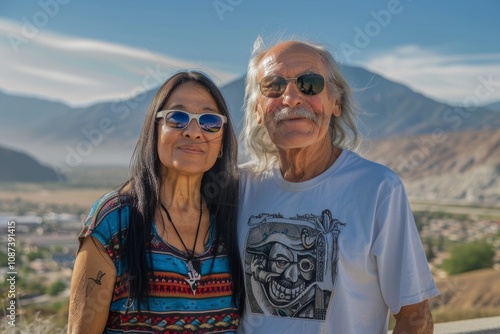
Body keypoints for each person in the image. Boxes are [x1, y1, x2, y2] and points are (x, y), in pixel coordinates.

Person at [237, 38, 440, 333]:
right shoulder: (241, 187)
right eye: (273, 86)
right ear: (258, 108)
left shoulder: (378, 188)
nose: (291, 98)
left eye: (310, 84)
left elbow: (415, 316)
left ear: (336, 102)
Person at [68, 70, 243, 333]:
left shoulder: (233, 218)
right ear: (155, 130)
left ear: (221, 143)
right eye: (177, 118)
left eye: (209, 122)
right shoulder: (114, 221)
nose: (194, 132)